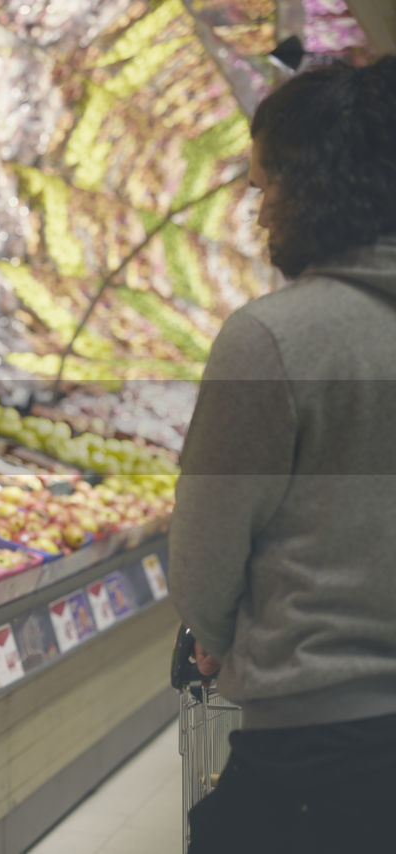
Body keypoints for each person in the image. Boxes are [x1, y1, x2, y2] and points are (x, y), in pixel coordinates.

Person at [169, 56, 396, 854]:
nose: (260, 212)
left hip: (316, 747)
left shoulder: (274, 337)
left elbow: (202, 559)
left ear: (317, 187)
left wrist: (219, 632)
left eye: (265, 185)